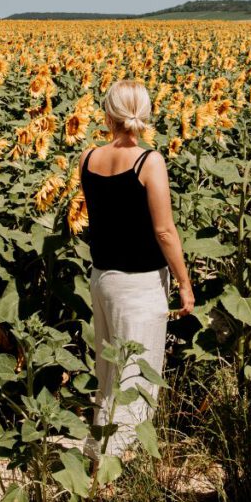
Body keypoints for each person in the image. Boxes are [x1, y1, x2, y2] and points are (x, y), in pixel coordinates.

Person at [79, 78, 194, 463]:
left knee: (108, 373)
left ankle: (97, 455)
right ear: (144, 114)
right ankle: (114, 471)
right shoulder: (150, 161)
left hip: (102, 279)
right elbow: (164, 231)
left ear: (108, 114)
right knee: (136, 378)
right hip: (140, 284)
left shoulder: (88, 158)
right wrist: (184, 282)